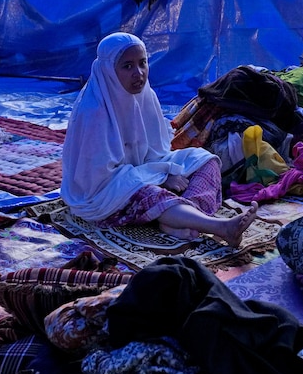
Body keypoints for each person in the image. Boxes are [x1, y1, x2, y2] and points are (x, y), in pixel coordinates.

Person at [61, 32, 258, 247]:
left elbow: (157, 152)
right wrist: (161, 177)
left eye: (142, 63)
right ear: (108, 69)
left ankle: (180, 219)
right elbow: (99, 179)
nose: (139, 73)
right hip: (102, 192)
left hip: (141, 172)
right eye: (127, 66)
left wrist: (164, 171)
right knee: (143, 190)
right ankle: (219, 227)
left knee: (204, 160)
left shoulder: (146, 96)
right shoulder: (94, 110)